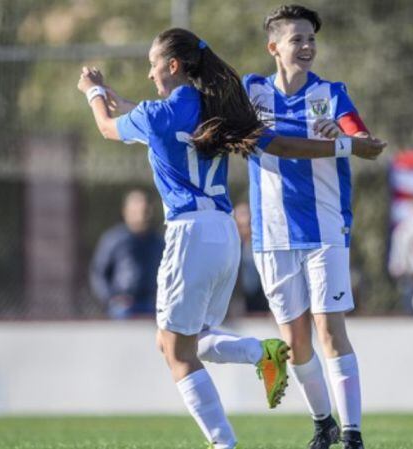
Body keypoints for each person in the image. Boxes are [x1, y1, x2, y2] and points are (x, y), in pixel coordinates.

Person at [77, 27, 385, 449]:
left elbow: (108, 128)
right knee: (188, 340)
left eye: (152, 66)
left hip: (188, 233)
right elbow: (278, 145)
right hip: (224, 236)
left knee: (177, 353)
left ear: (172, 66)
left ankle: (227, 437)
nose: (149, 75)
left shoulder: (156, 116)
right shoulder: (215, 108)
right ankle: (263, 355)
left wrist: (92, 92)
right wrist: (346, 148)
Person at [242, 5, 374, 449]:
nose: (307, 46)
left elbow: (367, 143)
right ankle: (323, 424)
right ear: (273, 47)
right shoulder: (251, 91)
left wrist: (341, 136)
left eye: (312, 39)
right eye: (297, 39)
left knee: (329, 329)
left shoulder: (331, 94)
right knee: (296, 341)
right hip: (271, 235)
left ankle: (352, 433)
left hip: (325, 231)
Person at [89, 189, 164, 318]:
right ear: (125, 211)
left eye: (146, 209)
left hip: (153, 305)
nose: (143, 214)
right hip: (123, 306)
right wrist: (110, 299)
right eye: (137, 209)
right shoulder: (114, 239)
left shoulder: (158, 242)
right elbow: (98, 273)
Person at [233, 202, 269, 313]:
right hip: (240, 310)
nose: (245, 230)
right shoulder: (233, 250)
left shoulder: (264, 248)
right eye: (241, 226)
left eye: (248, 224)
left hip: (264, 308)